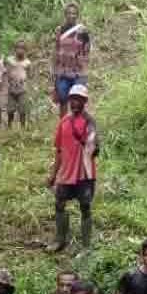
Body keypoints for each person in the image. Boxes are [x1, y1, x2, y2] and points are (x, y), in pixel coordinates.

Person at [46, 84, 97, 252]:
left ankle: (86, 246)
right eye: (72, 99)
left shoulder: (90, 122)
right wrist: (53, 174)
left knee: (85, 207)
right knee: (59, 203)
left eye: (79, 100)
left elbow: (94, 149)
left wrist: (85, 140)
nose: (74, 103)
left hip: (84, 174)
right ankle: (60, 239)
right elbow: (59, 150)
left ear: (84, 101)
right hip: (66, 173)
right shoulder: (64, 122)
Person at [51, 2, 90, 117]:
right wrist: (54, 70)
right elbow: (56, 50)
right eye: (69, 13)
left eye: (74, 13)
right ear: (65, 15)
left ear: (77, 15)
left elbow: (87, 50)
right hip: (62, 72)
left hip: (78, 72)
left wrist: (84, 69)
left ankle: (79, 126)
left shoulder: (82, 31)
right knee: (63, 100)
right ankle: (64, 127)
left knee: (78, 100)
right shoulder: (59, 30)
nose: (71, 16)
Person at [4, 39, 32, 128]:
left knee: (22, 110)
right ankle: (9, 126)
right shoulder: (10, 60)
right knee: (10, 110)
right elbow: (6, 73)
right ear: (14, 49)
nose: (20, 50)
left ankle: (23, 127)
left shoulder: (27, 62)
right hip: (11, 89)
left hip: (22, 90)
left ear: (25, 50)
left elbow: (29, 75)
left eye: (22, 48)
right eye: (18, 48)